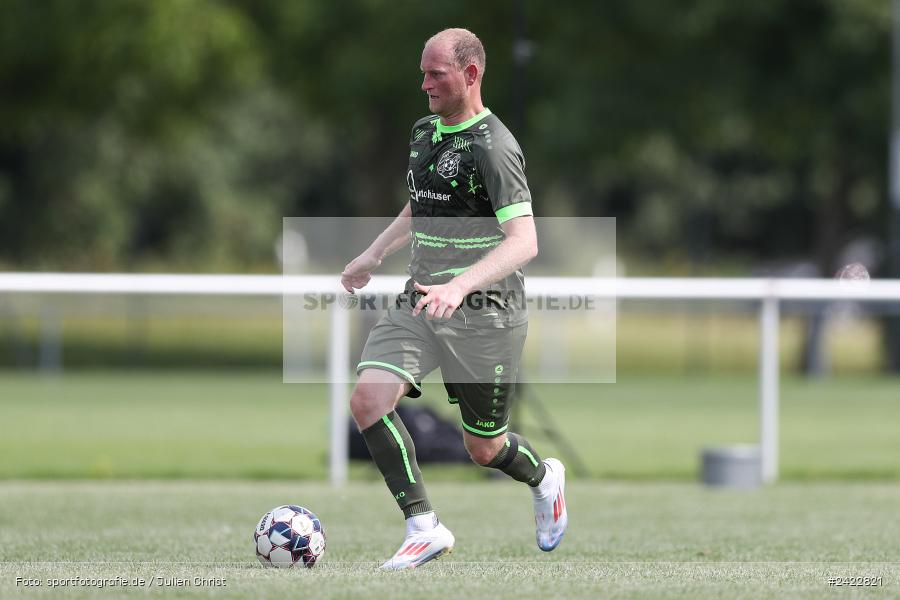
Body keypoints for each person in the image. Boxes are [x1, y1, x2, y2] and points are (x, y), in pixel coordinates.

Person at [340, 28, 567, 570]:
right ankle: (424, 526)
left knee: (483, 448)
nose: (424, 84)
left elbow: (525, 241)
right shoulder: (424, 133)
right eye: (422, 73)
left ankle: (544, 477)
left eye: (435, 73)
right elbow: (421, 204)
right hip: (420, 301)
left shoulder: (495, 147)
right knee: (368, 401)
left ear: (470, 75)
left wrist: (461, 285)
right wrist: (374, 253)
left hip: (486, 316)